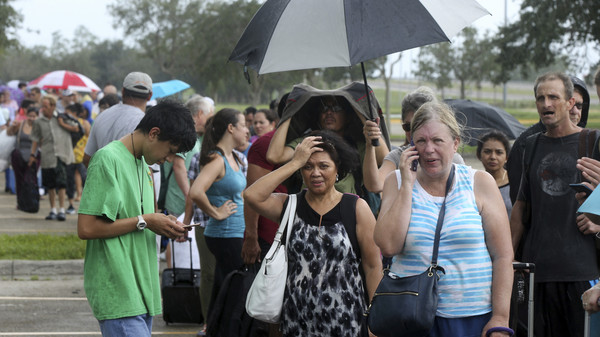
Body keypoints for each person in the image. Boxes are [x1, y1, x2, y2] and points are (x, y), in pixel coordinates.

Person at [374, 102, 513, 336]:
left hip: (471, 316)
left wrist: (500, 316)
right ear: (411, 144)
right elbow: (388, 246)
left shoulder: (480, 182)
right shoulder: (396, 182)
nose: (429, 149)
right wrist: (407, 185)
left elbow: (503, 255)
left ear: (455, 143)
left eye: (438, 140)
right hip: (411, 315)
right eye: (420, 141)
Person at [245, 130, 382, 336]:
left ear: (338, 170)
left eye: (324, 166)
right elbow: (251, 195)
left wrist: (375, 319)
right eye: (308, 167)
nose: (315, 173)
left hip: (346, 320)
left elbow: (373, 267)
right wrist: (294, 162)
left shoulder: (355, 208)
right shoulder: (290, 205)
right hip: (297, 319)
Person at [77, 100, 197, 336]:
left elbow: (144, 217)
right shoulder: (107, 159)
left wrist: (164, 224)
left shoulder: (144, 164)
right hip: (118, 288)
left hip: (142, 286)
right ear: (154, 133)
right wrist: (146, 221)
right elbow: (87, 228)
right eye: (170, 150)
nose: (170, 159)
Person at [510, 72, 599, 336]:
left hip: (583, 274)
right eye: (540, 98)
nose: (546, 104)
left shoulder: (593, 142)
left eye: (553, 97)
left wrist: (597, 220)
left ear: (571, 103)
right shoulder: (531, 145)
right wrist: (508, 258)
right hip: (537, 272)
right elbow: (520, 208)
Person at [266, 87, 389, 197]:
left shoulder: (356, 146)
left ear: (348, 116)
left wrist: (361, 113)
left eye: (336, 108)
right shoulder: (309, 141)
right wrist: (290, 112)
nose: (329, 112)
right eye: (324, 108)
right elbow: (274, 156)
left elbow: (384, 158)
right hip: (309, 213)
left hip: (346, 216)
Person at [188, 108, 249, 317]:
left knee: (228, 289)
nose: (247, 130)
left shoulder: (234, 157)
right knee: (234, 293)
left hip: (234, 233)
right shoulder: (217, 159)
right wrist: (216, 213)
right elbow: (196, 191)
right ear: (231, 128)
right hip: (226, 234)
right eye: (243, 125)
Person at [363, 86, 464, 194]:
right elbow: (375, 185)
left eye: (419, 126)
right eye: (408, 126)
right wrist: (370, 145)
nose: (413, 133)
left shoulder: (454, 161)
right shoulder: (399, 156)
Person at [506, 75, 590, 204]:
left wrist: (594, 218)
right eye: (543, 98)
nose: (574, 111)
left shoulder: (592, 142)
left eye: (579, 106)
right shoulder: (526, 143)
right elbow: (519, 200)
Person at [83, 72, 153, 167]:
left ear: (123, 91)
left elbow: (87, 158)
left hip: (102, 180)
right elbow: (150, 172)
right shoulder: (146, 124)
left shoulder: (101, 116)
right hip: (131, 182)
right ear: (150, 96)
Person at [28, 95, 74, 221]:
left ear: (53, 106)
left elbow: (75, 128)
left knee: (62, 183)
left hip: (61, 155)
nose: (43, 109)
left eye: (46, 106)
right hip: (47, 156)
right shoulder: (39, 121)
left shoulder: (62, 117)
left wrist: (63, 123)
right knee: (50, 185)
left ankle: (62, 210)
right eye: (42, 106)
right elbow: (35, 139)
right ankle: (53, 209)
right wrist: (32, 155)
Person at [7, 106, 39, 211]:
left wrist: (33, 156)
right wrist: (12, 126)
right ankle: (20, 203)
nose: (32, 118)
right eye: (30, 116)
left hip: (34, 157)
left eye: (34, 116)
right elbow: (9, 133)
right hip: (19, 155)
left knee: (31, 180)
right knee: (19, 179)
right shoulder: (21, 124)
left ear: (37, 117)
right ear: (26, 116)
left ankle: (31, 202)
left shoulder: (39, 127)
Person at [476, 130, 512, 216]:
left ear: (506, 157)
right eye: (487, 151)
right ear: (479, 155)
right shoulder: (473, 183)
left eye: (499, 152)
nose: (493, 157)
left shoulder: (516, 182)